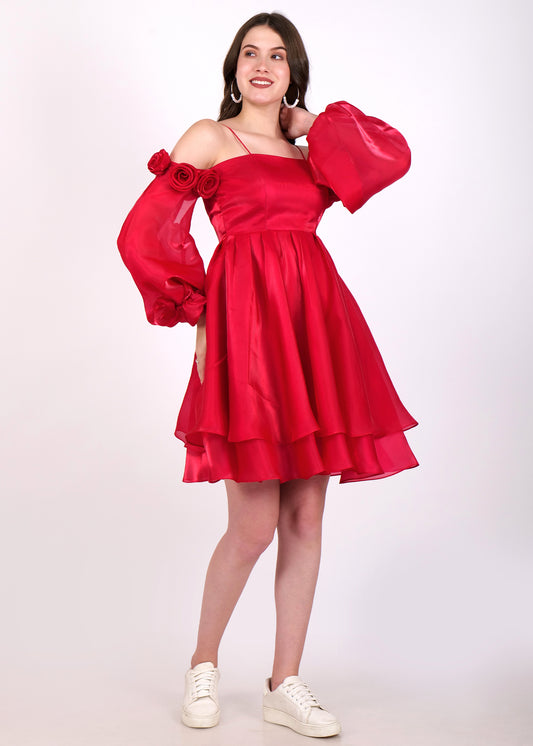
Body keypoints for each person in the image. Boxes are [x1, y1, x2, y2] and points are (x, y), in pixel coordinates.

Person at [117, 11, 418, 739]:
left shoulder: (309, 147)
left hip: (317, 328)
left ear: (292, 72)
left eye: (276, 57)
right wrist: (196, 313)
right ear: (233, 68)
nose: (261, 65)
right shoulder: (208, 137)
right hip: (247, 335)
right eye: (249, 54)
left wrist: (312, 121)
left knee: (305, 518)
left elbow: (389, 158)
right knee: (251, 525)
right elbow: (142, 233)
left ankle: (285, 682)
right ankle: (203, 664)